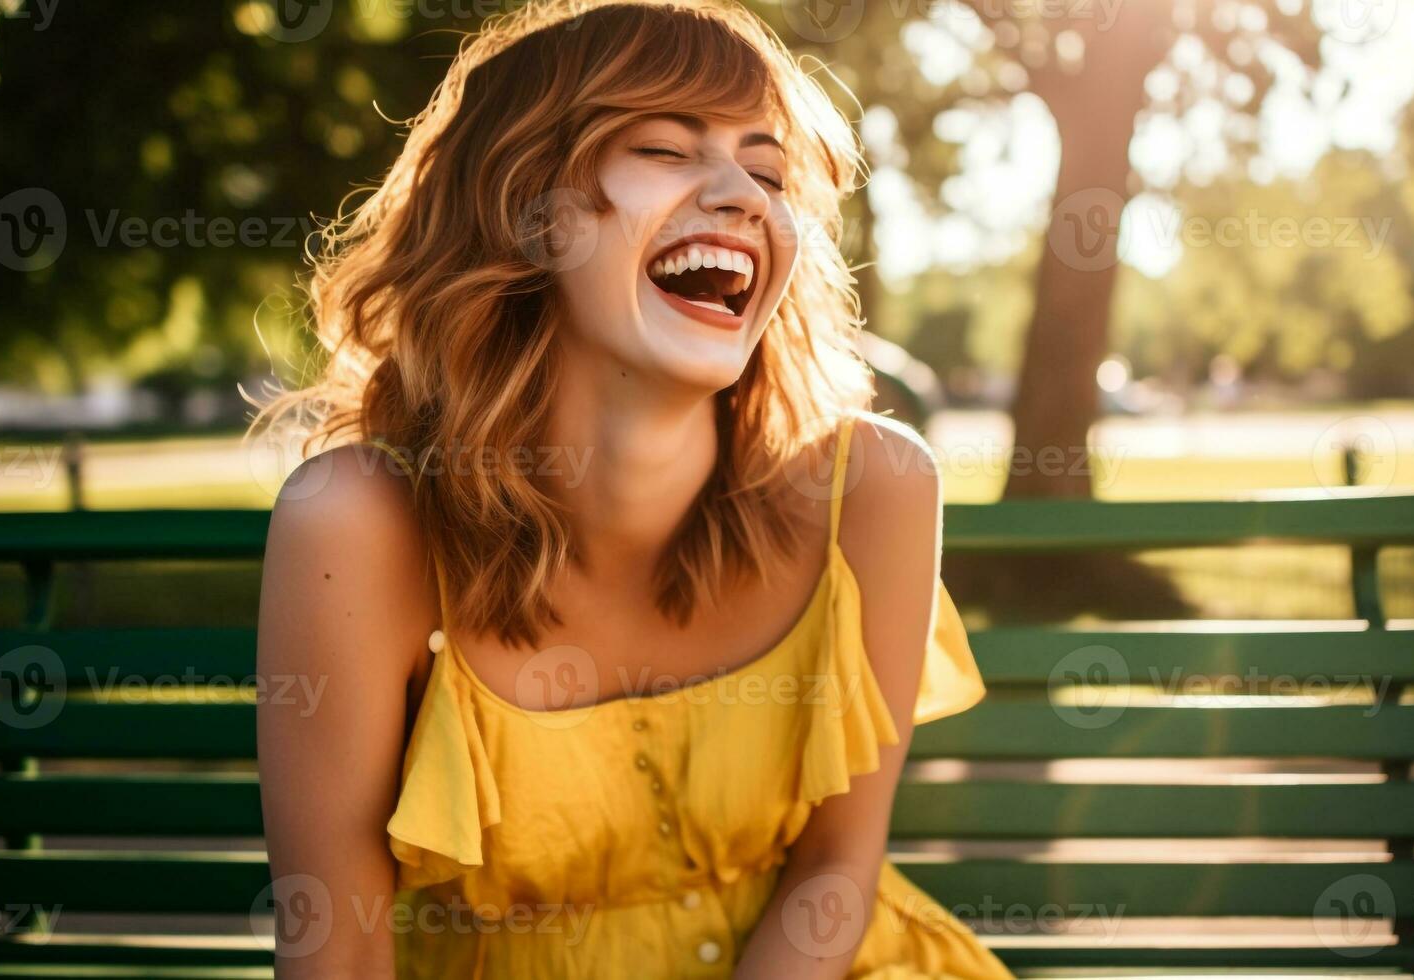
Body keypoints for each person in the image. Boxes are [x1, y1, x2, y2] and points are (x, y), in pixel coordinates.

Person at [249, 0, 1011, 975]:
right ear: (524, 208)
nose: (742, 194)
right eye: (665, 148)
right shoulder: (355, 526)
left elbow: (835, 870)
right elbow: (341, 948)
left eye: (768, 170)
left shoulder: (873, 489)